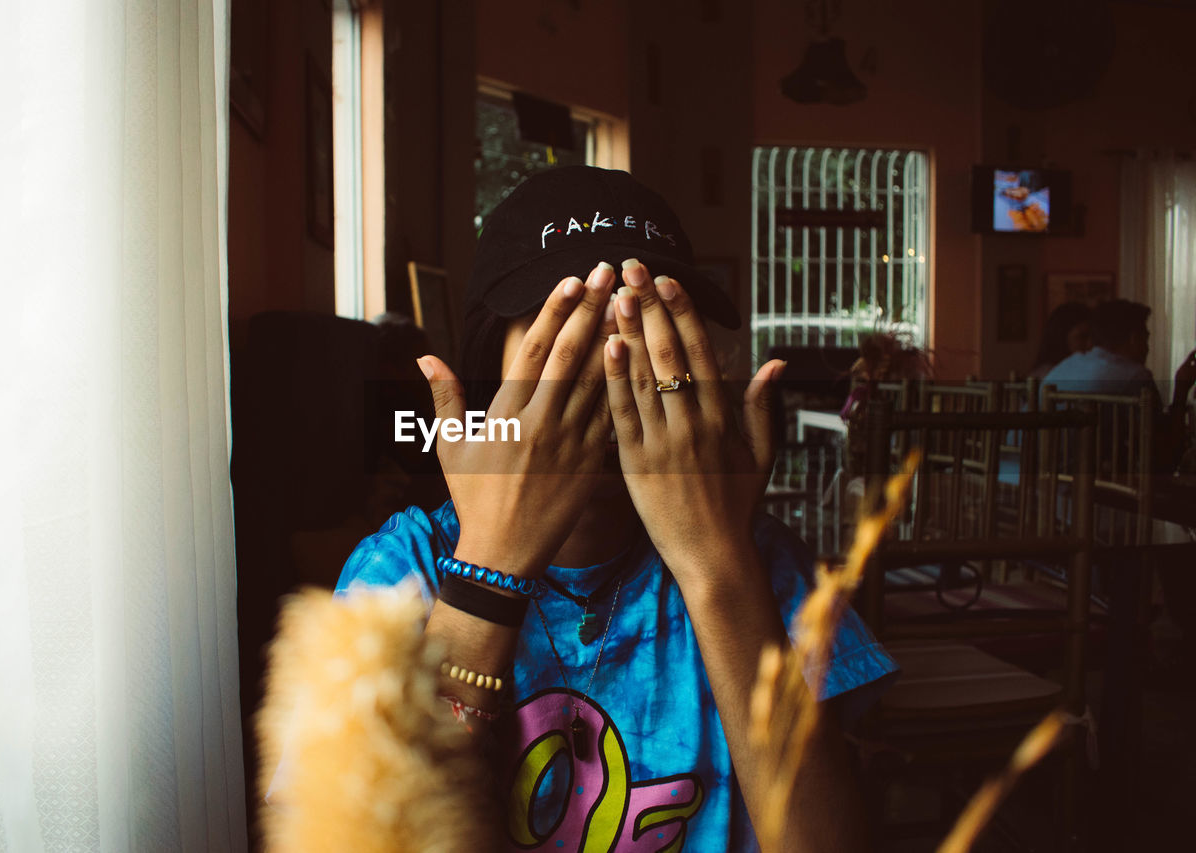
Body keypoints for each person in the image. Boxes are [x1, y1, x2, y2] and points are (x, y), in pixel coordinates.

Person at [335, 166, 896, 851]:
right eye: (567, 340)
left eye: (643, 333)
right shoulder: (405, 570)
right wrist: (488, 569)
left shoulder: (764, 564)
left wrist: (715, 562)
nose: (613, 374)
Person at [1040, 299, 1195, 471]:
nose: (1148, 348)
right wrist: (1181, 390)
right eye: (1146, 339)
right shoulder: (1136, 376)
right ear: (1134, 339)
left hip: (1035, 479)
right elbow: (1164, 457)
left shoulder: (1067, 365)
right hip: (1082, 488)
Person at [1029, 301, 1092, 381]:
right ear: (1061, 338)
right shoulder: (1049, 375)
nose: (1090, 344)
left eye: (1093, 337)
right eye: (1082, 337)